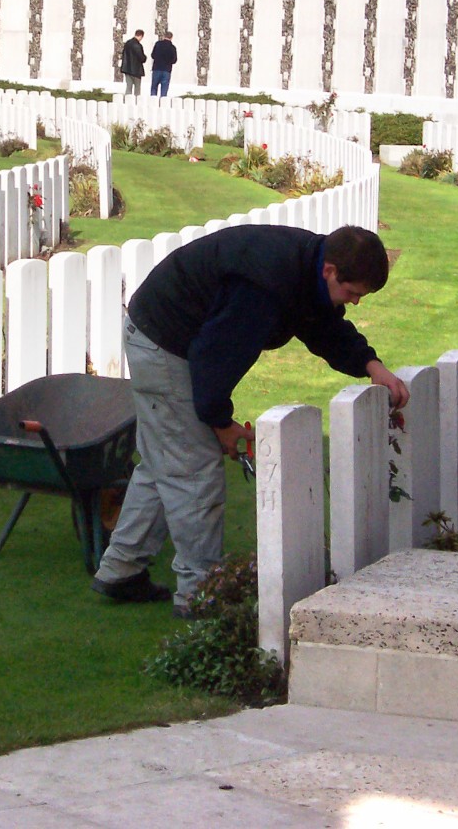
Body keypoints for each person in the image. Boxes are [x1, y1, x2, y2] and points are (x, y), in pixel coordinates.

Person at [91, 224, 410, 616]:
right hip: (165, 342)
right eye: (353, 293)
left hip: (167, 334)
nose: (355, 303)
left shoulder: (307, 267)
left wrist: (371, 365)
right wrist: (220, 423)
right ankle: (200, 595)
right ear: (330, 270)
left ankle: (121, 569)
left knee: (164, 462)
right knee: (193, 472)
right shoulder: (264, 286)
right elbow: (214, 354)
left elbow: (323, 326)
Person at [149, 32, 177, 97]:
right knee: (164, 89)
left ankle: (153, 102)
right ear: (171, 38)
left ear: (164, 36)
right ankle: (163, 103)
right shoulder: (172, 48)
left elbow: (153, 55)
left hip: (157, 68)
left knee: (154, 87)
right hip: (166, 70)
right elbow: (174, 60)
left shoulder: (158, 44)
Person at [120, 29, 146, 95]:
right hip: (136, 70)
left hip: (127, 69)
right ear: (141, 36)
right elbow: (142, 58)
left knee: (129, 87)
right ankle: (136, 102)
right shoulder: (138, 45)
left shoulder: (127, 43)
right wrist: (145, 57)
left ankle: (127, 101)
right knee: (137, 88)